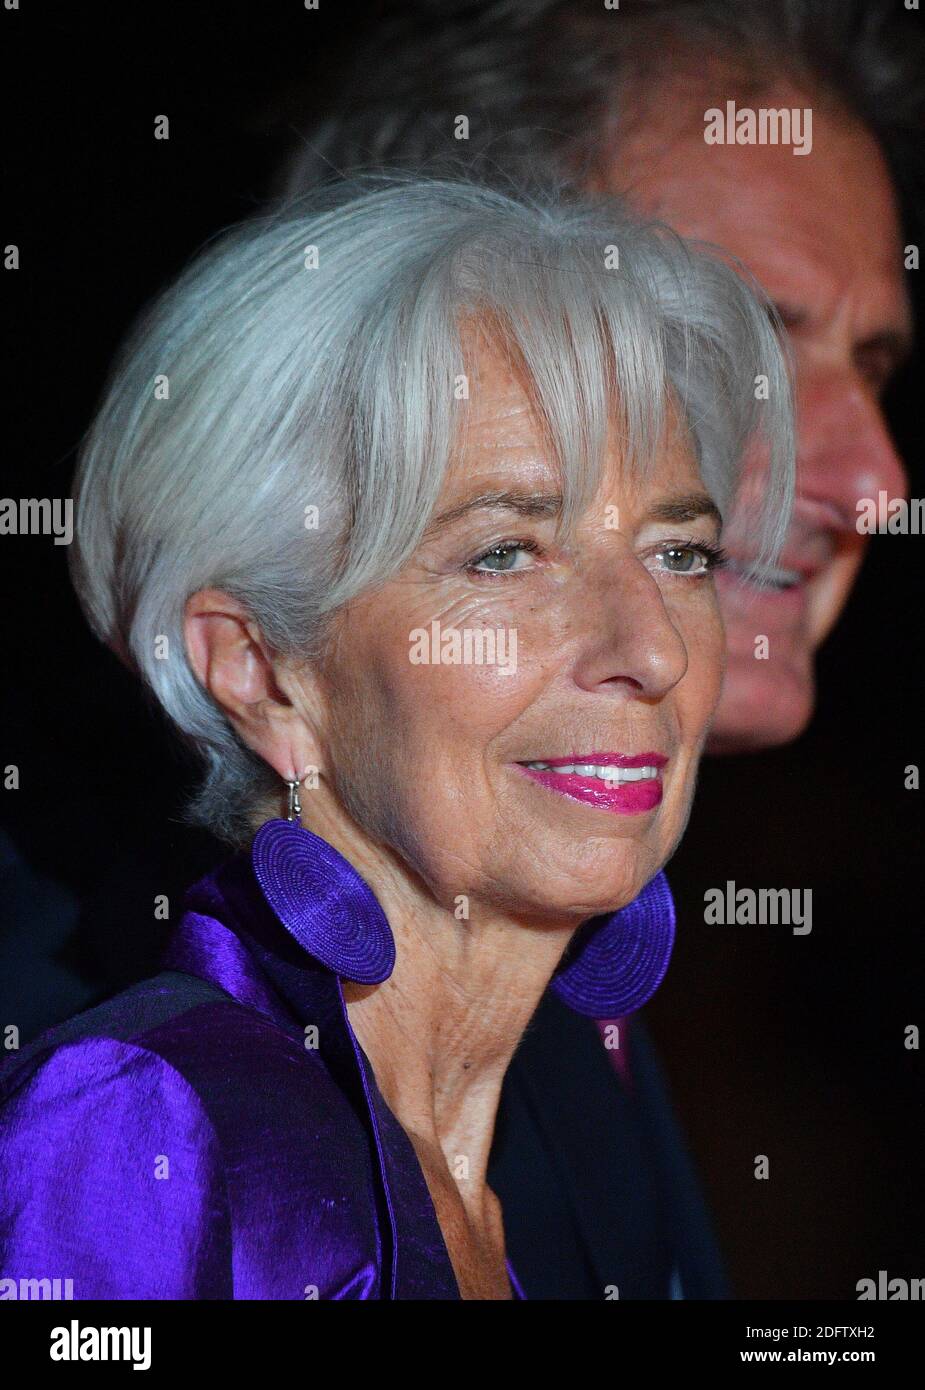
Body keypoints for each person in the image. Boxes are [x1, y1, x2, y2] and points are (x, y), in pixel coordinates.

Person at [0, 174, 794, 1298]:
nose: (652, 650)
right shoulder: (141, 1126)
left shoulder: (550, 1189)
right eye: (506, 554)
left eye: (679, 554)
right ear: (259, 668)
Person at [271, 0, 923, 1296]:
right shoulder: (116, 1098)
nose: (872, 482)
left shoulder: (573, 961)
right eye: (736, 345)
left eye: (875, 364)